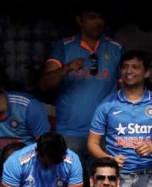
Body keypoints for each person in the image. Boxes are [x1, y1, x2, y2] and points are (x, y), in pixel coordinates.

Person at [87, 50, 152, 187]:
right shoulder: (107, 104)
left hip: (151, 177)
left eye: (135, 67)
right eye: (125, 67)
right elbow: (92, 143)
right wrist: (109, 159)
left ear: (147, 72)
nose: (129, 71)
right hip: (117, 177)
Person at [40, 4, 121, 161]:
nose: (98, 22)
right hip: (70, 131)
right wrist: (67, 68)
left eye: (101, 17)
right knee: (68, 182)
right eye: (92, 17)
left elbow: (125, 89)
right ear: (79, 20)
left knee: (103, 184)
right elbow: (44, 84)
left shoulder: (116, 47)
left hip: (104, 132)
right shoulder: (64, 46)